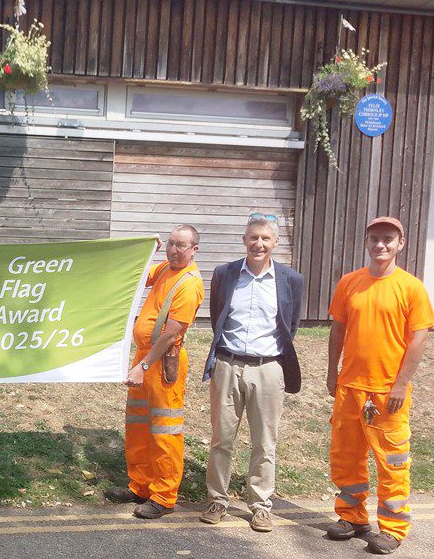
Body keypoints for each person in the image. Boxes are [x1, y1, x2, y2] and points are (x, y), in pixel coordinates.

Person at [325, 217, 434, 555]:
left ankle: (392, 528)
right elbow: (338, 329)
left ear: (400, 244)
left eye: (388, 239)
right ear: (366, 242)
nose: (380, 245)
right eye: (374, 238)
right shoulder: (350, 283)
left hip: (388, 391)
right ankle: (352, 517)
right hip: (350, 387)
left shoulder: (411, 287)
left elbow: (418, 339)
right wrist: (332, 373)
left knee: (392, 461)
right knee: (346, 456)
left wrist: (401, 385)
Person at [199, 215, 304, 532]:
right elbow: (218, 316)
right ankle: (217, 500)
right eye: (253, 237)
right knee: (221, 438)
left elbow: (290, 324)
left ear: (275, 243)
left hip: (268, 369)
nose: (259, 244)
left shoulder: (290, 279)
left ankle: (260, 506)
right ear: (244, 240)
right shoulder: (225, 274)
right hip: (228, 365)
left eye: (265, 238)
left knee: (265, 442)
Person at [106, 225, 205, 519]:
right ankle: (140, 485)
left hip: (162, 364)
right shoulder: (164, 268)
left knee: (165, 430)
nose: (174, 250)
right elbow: (135, 273)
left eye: (181, 245)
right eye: (171, 244)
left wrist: (144, 366)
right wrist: (144, 250)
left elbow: (171, 334)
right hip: (144, 359)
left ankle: (164, 496)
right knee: (138, 426)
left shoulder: (189, 284)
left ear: (194, 250)